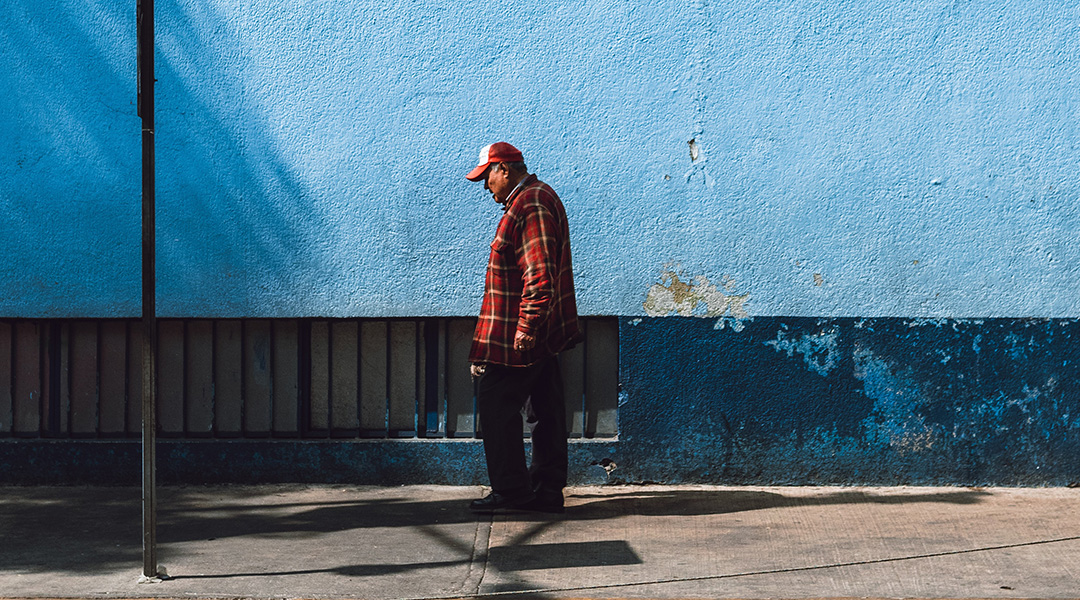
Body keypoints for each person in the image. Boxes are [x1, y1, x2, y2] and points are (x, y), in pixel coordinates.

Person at [464, 142, 582, 514]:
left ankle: (513, 491)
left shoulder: (529, 204)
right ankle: (546, 489)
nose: (486, 187)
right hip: (538, 332)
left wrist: (526, 327)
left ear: (504, 169)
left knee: (496, 406)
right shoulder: (535, 197)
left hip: (519, 336)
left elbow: (539, 274)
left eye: (487, 177)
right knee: (545, 409)